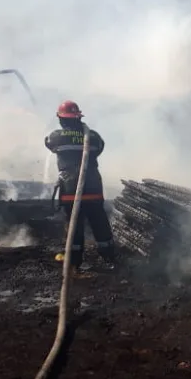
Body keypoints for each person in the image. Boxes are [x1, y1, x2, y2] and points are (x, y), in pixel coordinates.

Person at [44, 100, 116, 270]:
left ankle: (74, 262)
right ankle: (109, 258)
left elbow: (48, 143)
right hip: (93, 190)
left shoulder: (57, 137)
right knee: (100, 223)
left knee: (74, 226)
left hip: (71, 191)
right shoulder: (93, 137)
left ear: (61, 119)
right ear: (78, 117)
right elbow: (100, 148)